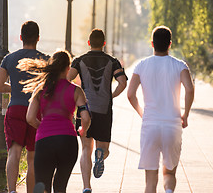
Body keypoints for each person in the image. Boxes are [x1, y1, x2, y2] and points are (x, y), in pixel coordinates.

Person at [127, 26, 195, 193]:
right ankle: (169, 191)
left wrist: (142, 113)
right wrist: (185, 115)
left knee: (150, 179)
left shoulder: (141, 65)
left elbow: (130, 94)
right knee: (169, 173)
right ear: (169, 44)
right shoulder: (180, 65)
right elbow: (190, 89)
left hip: (150, 125)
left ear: (152, 43)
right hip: (172, 125)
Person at [18, 50, 91, 193]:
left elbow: (30, 118)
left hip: (44, 141)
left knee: (43, 187)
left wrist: (43, 127)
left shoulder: (40, 89)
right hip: (68, 141)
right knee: (60, 186)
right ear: (68, 68)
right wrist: (83, 129)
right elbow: (86, 117)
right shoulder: (76, 91)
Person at [67, 28, 127, 193]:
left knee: (86, 148)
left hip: (84, 109)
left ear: (89, 43)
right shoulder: (112, 61)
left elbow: (66, 79)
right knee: (104, 148)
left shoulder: (79, 61)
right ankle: (100, 155)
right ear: (104, 43)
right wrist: (111, 96)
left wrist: (76, 96)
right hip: (104, 110)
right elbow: (122, 82)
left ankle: (86, 186)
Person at [0, 21, 49, 193]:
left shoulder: (9, 58)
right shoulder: (46, 60)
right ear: (38, 38)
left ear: (20, 37)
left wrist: (15, 88)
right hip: (36, 111)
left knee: (14, 152)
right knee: (32, 157)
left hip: (15, 108)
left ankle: (11, 191)